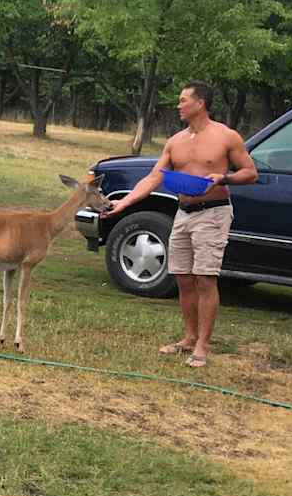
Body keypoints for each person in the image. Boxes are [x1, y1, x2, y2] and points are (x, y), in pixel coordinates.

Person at [104, 81, 258, 368]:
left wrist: (223, 178)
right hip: (184, 212)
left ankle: (203, 345)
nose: (178, 105)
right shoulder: (175, 141)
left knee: (205, 278)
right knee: (183, 278)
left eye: (183, 100)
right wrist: (123, 203)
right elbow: (153, 177)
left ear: (200, 103)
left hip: (213, 213)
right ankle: (188, 338)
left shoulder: (226, 136)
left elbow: (250, 173)